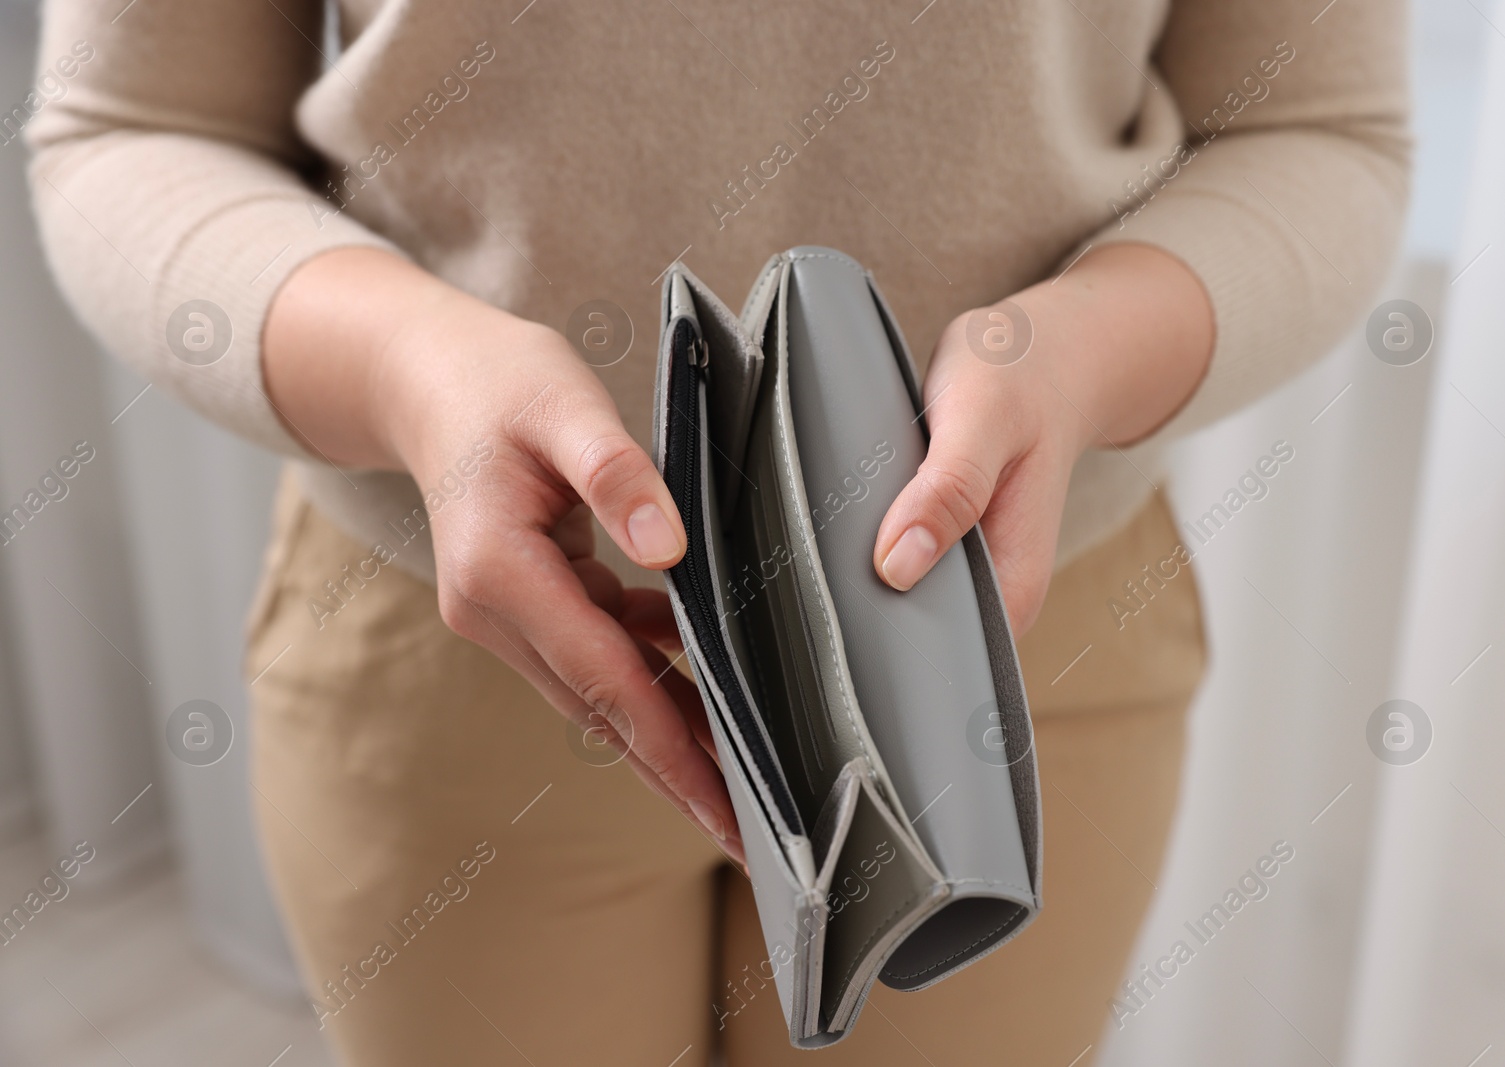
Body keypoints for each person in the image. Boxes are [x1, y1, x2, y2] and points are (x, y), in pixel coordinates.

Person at [26, 1, 1407, 1063]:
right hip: (453, 650)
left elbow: (1320, 127)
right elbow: (130, 126)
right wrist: (405, 364)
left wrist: (1085, 352)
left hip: (1013, 662)